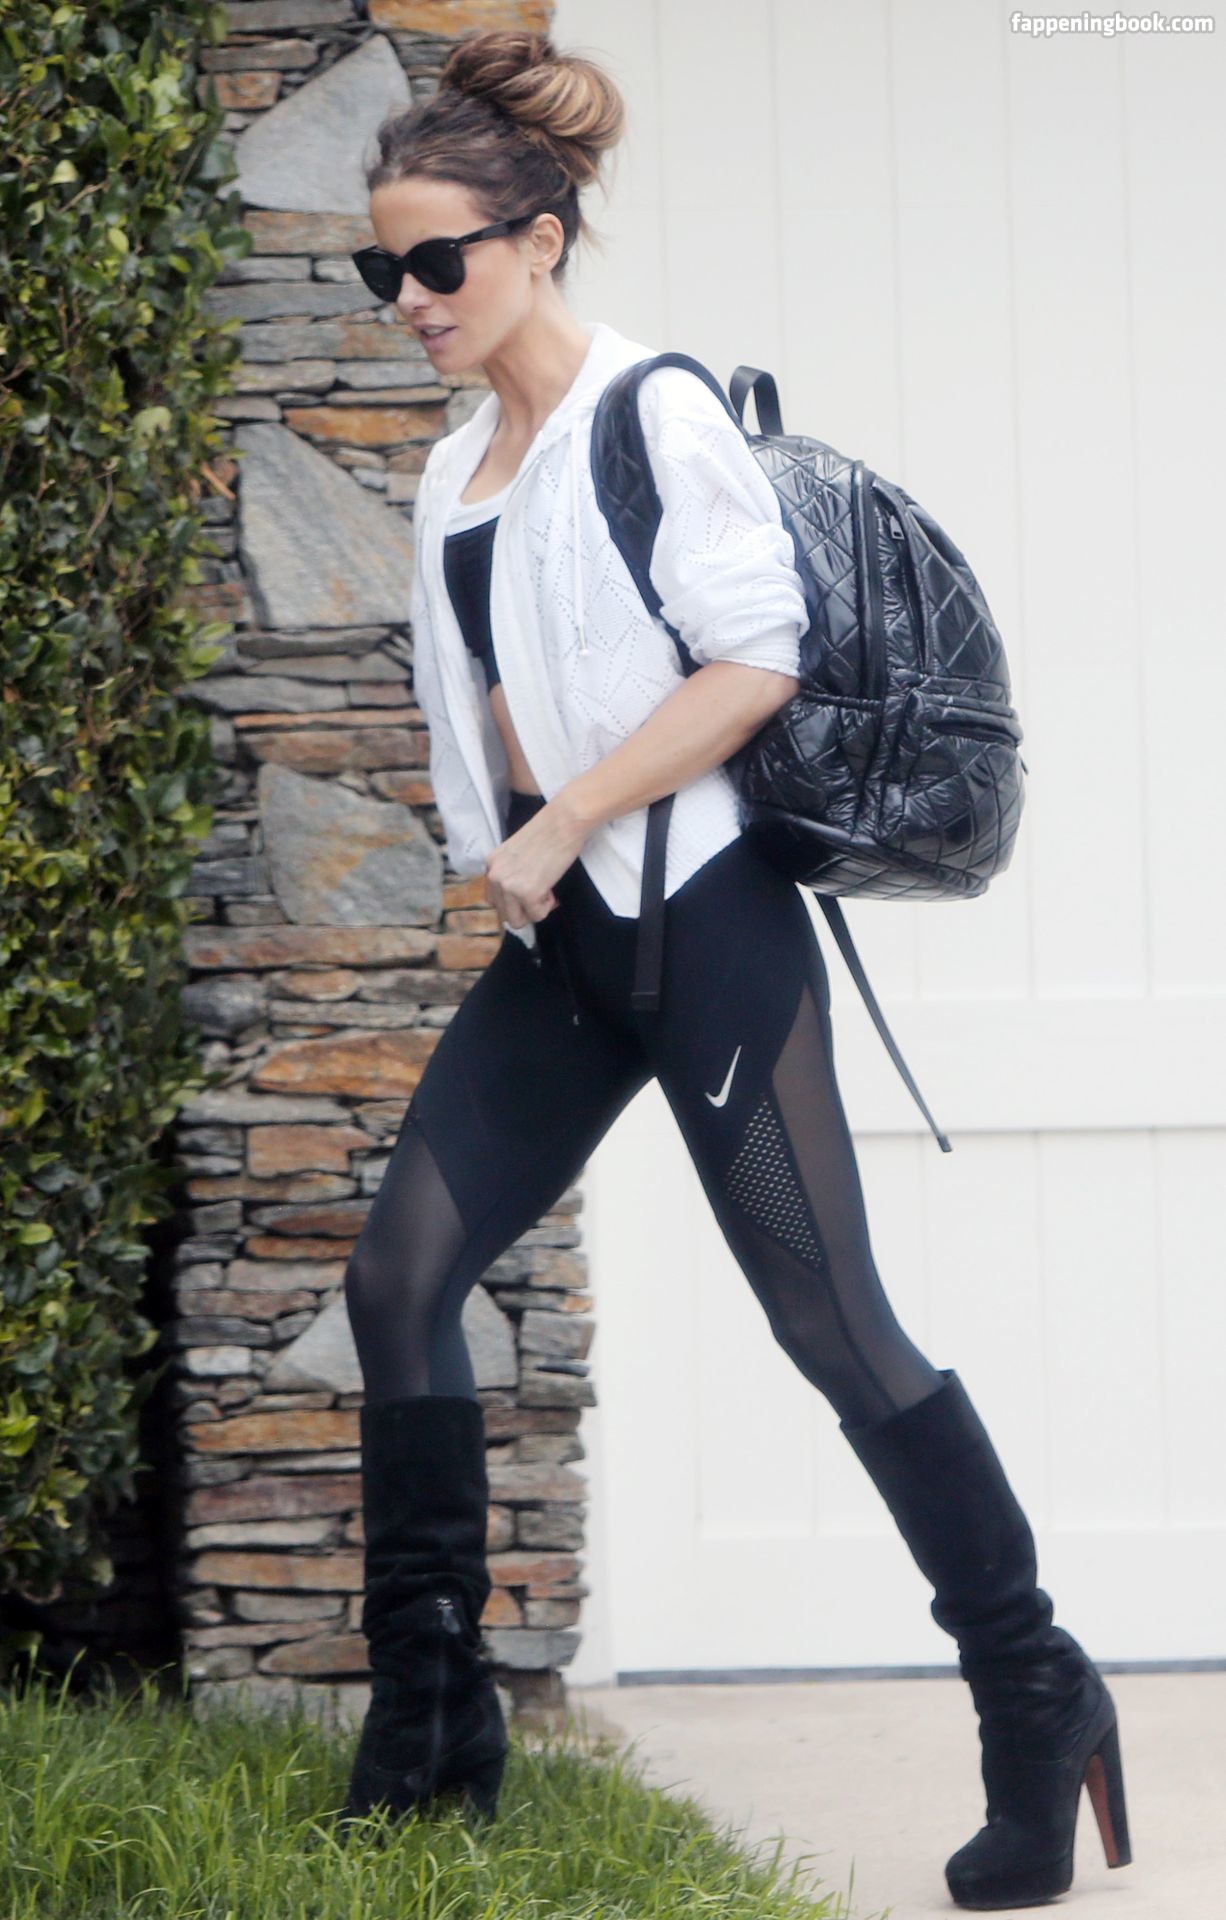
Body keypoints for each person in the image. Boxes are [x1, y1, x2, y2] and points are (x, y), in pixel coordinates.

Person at [337, 25, 1132, 1908]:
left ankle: (1034, 1694)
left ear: (536, 239)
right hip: (565, 947)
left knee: (830, 1327)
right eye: (380, 269)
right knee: (397, 1278)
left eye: (436, 259)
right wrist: (512, 841)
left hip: (703, 926)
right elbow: (502, 691)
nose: (408, 297)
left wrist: (558, 818)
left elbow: (754, 659)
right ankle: (432, 1737)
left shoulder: (652, 410)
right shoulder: (454, 472)